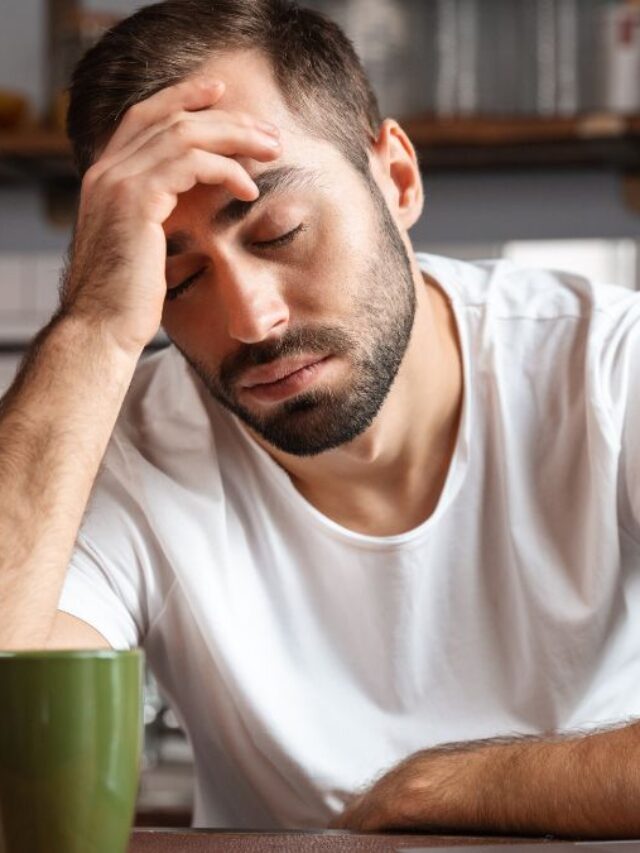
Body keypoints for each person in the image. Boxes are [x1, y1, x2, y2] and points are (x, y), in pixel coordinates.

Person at [2, 0, 640, 837]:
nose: (251, 321)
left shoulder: (610, 366)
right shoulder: (117, 450)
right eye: (177, 280)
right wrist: (92, 322)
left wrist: (443, 789)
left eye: (280, 232)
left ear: (398, 179)